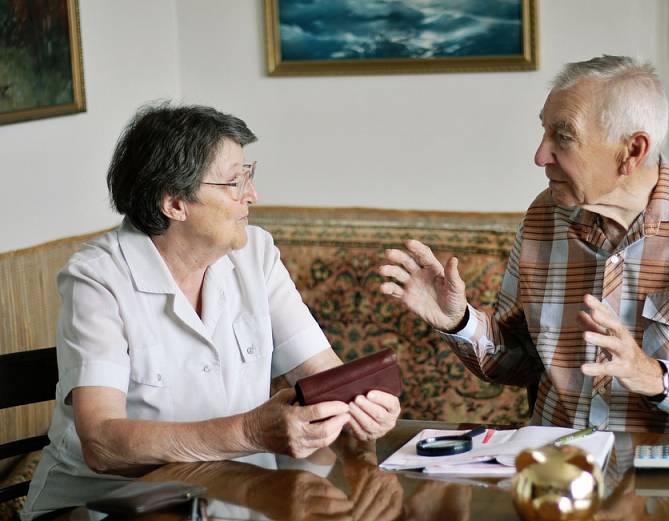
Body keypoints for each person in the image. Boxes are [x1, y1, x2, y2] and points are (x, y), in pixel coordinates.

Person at [23, 103, 400, 519]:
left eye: (249, 175)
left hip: (236, 499)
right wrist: (251, 431)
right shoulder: (97, 278)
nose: (252, 195)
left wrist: (364, 405)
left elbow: (322, 374)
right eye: (235, 182)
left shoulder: (256, 254)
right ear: (174, 203)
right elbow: (103, 443)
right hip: (109, 507)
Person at [379, 55, 669, 438]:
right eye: (544, 131)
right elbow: (517, 362)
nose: (540, 155)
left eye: (563, 136)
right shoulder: (544, 217)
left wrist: (652, 376)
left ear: (632, 151)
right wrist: (458, 322)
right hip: (555, 476)